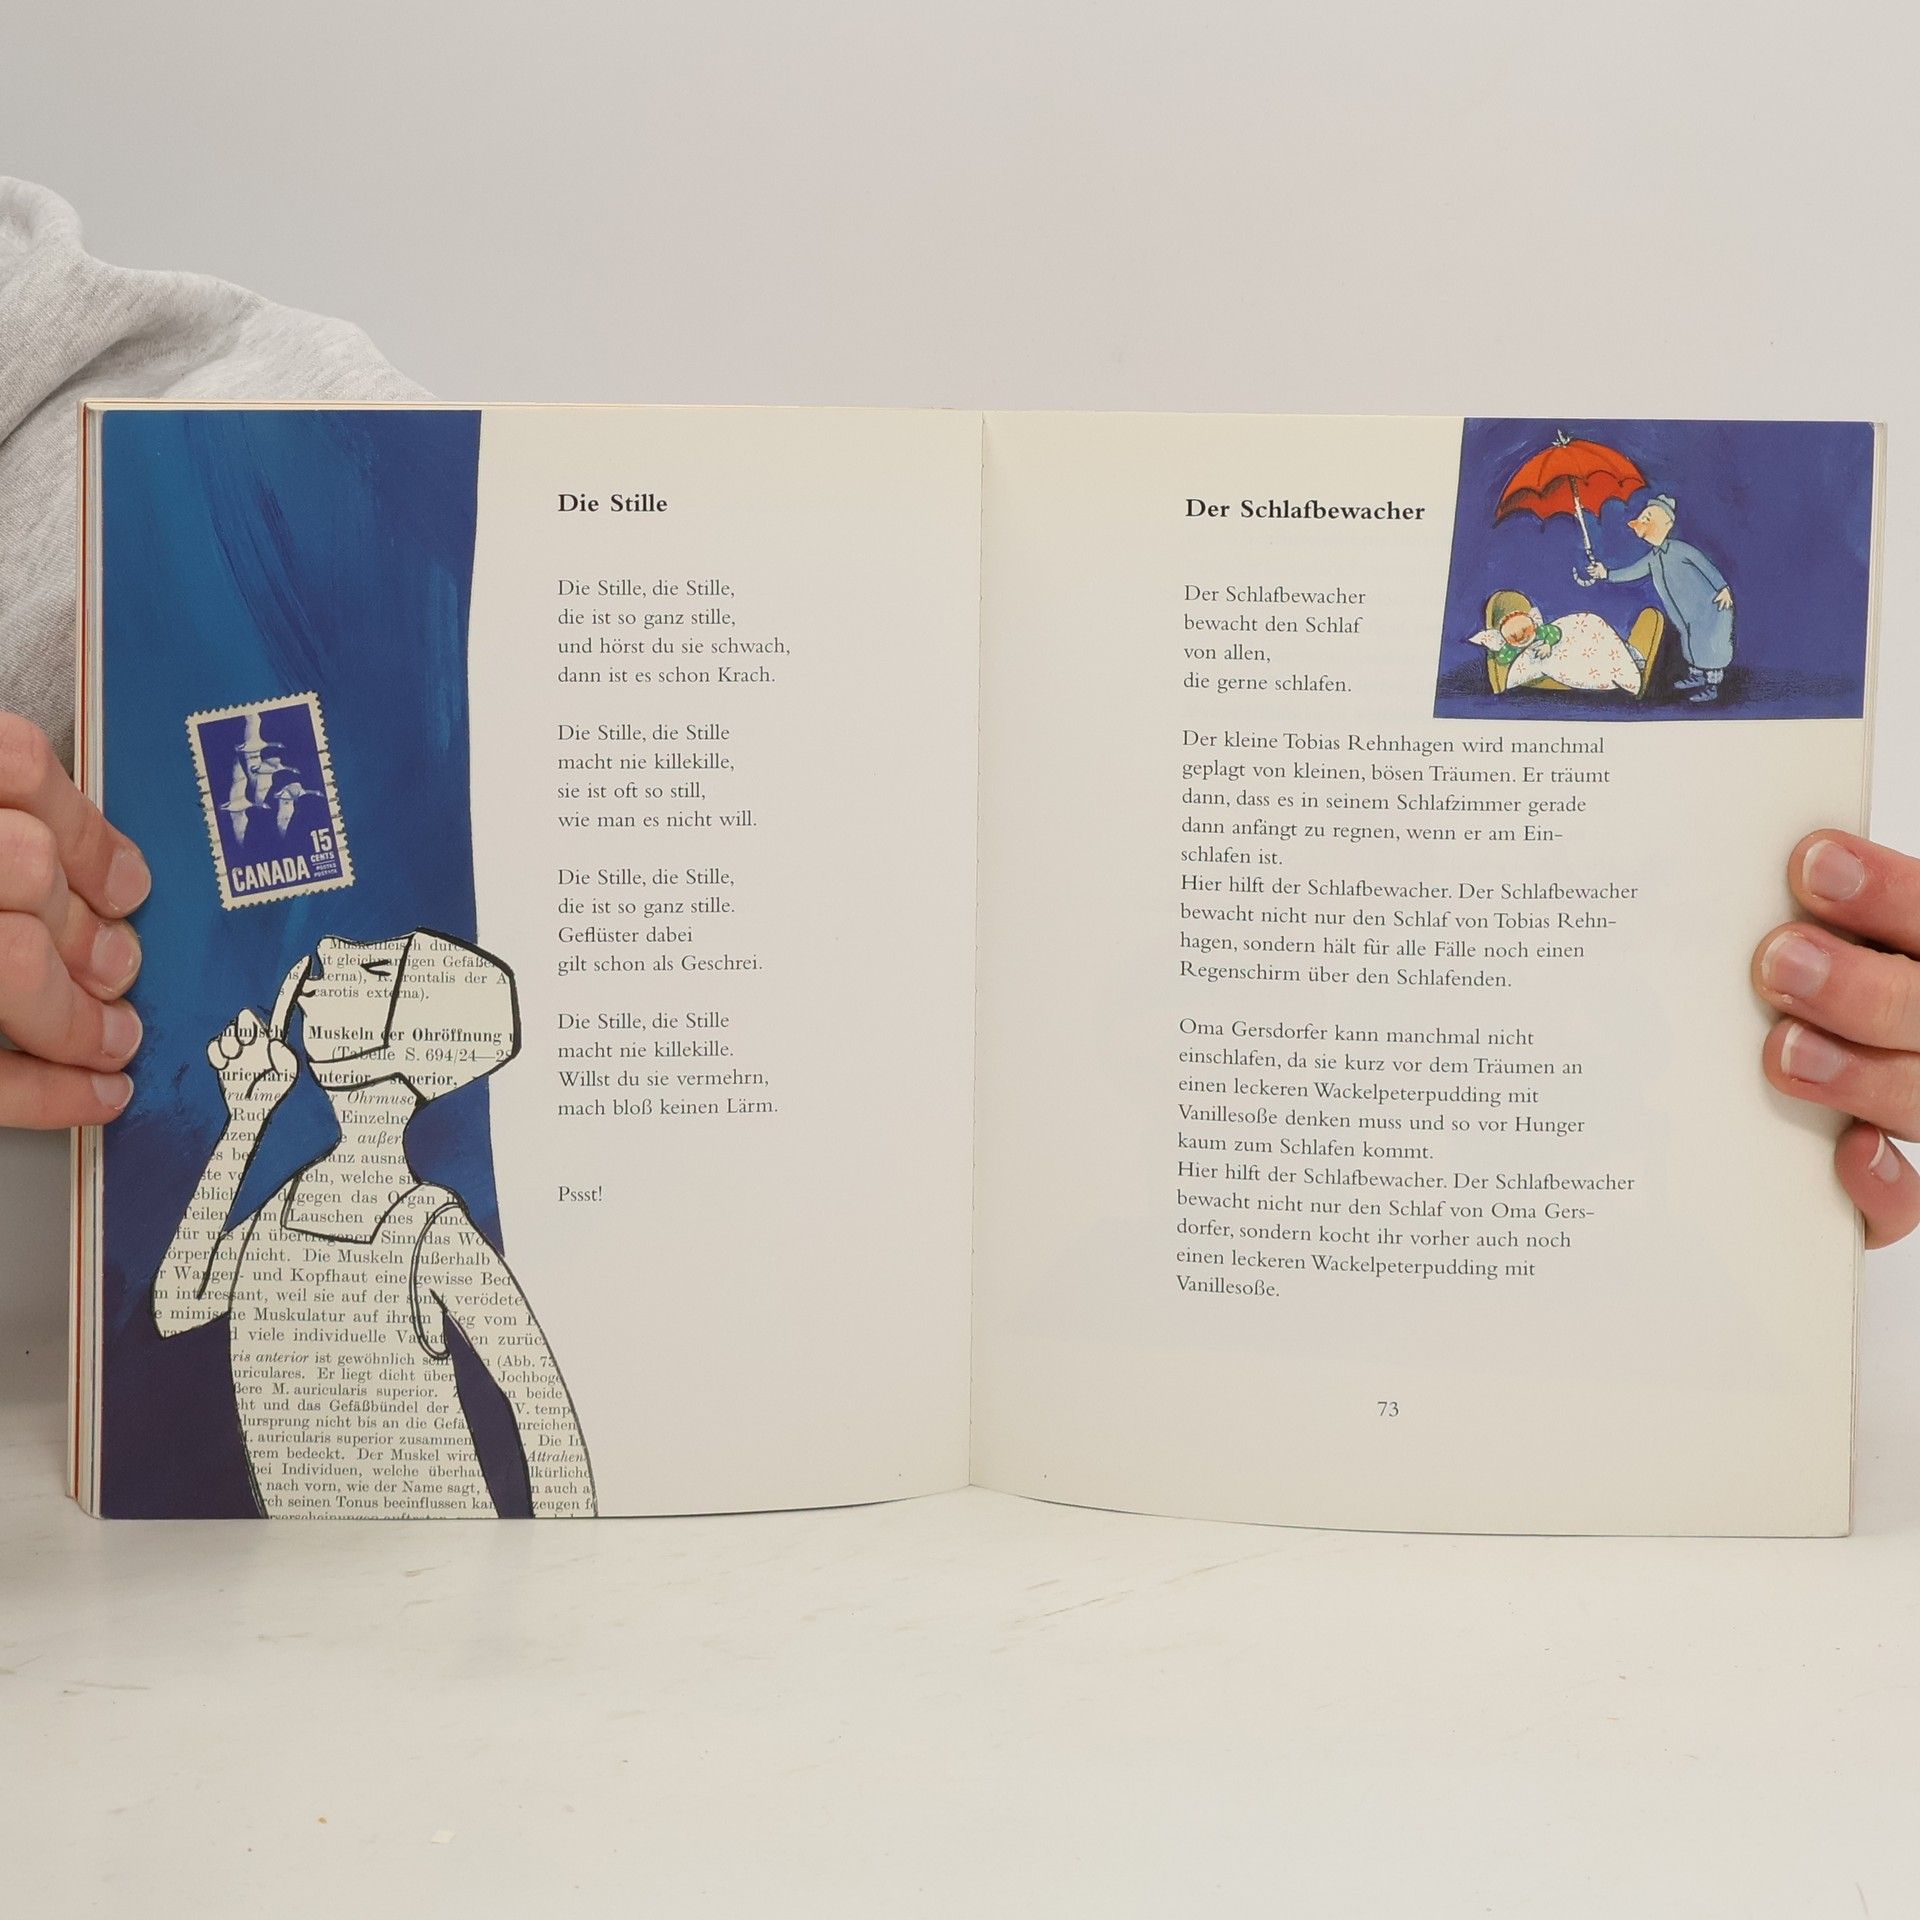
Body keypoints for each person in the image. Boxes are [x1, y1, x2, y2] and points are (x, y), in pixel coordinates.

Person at [1583, 493, 1735, 702]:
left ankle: (1713, 685)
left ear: (1666, 523)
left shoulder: (1680, 549)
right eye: (1642, 517)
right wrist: (1606, 574)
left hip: (1711, 606)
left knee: (1710, 645)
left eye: (1648, 518)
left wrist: (1723, 587)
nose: (1640, 521)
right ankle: (1697, 676)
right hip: (1685, 613)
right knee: (1691, 641)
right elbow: (1633, 572)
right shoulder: (1653, 558)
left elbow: (1704, 565)